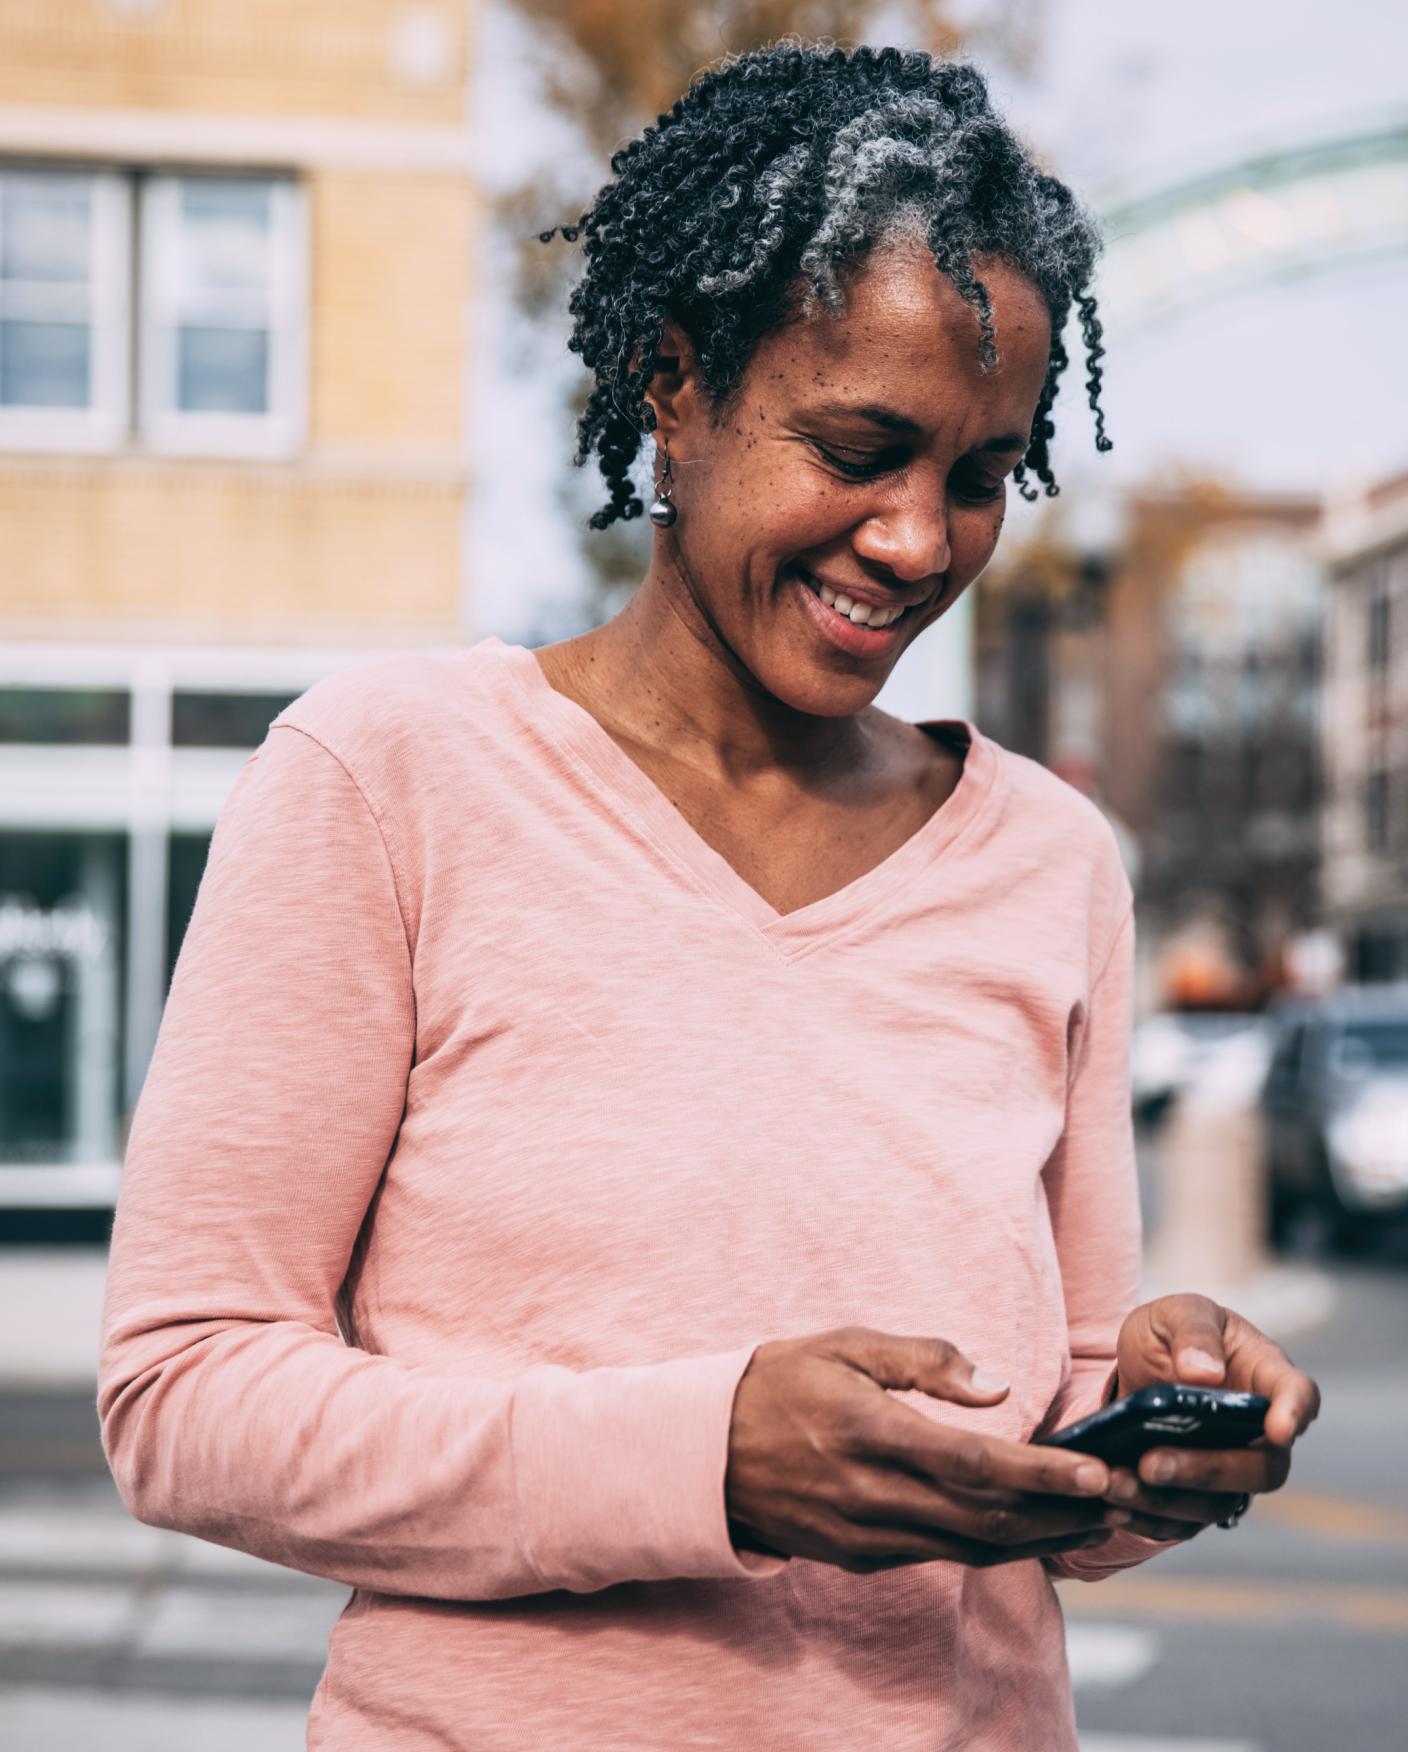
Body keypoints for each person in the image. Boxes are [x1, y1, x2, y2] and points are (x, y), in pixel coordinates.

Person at [98, 39, 1321, 1751]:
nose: (917, 541)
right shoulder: (389, 778)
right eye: (858, 447)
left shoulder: (1046, 859)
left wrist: (1154, 1426)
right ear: (675, 385)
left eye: (979, 475)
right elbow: (185, 1397)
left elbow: (1045, 1427)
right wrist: (709, 1459)